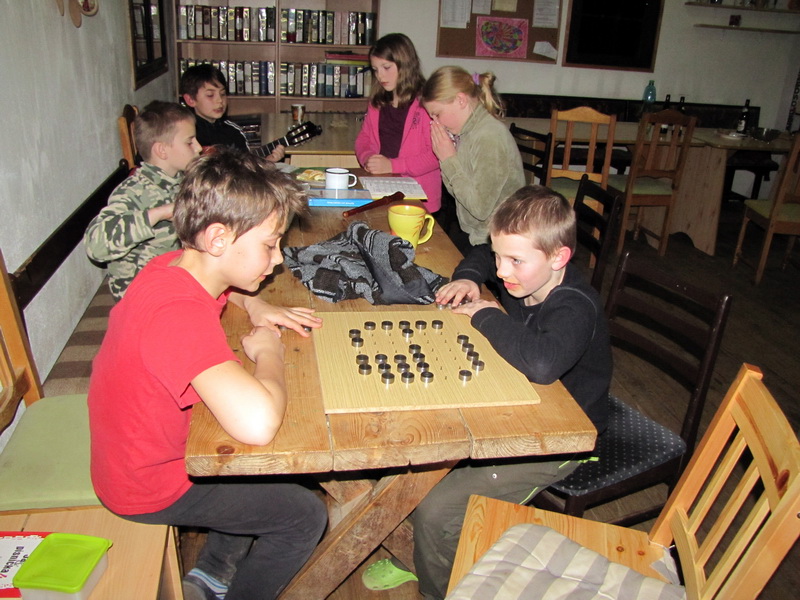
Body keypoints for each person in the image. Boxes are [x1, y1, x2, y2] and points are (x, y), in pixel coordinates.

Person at [87, 148, 328, 600]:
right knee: (302, 513)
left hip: (131, 460)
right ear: (218, 238)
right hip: (149, 485)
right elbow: (258, 423)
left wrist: (254, 302)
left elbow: (220, 288)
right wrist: (268, 353)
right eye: (269, 244)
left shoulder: (170, 267)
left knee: (260, 473)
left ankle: (213, 573)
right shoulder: (176, 316)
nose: (278, 259)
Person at [363, 186, 612, 599]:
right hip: (515, 404)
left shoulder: (574, 304)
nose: (502, 270)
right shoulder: (522, 272)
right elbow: (481, 252)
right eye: (500, 257)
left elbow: (542, 363)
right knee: (408, 451)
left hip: (562, 438)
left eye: (514, 261)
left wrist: (487, 314)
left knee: (436, 509)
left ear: (558, 258)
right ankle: (423, 552)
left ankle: (440, 587)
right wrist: (468, 276)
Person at [84, 100, 201, 300]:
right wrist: (159, 213)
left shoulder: (182, 181)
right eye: (189, 142)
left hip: (176, 283)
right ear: (162, 150)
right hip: (144, 299)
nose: (198, 147)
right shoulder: (133, 191)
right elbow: (95, 247)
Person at [421, 66, 525, 252]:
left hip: (498, 242)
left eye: (437, 114)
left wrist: (449, 159)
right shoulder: (467, 132)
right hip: (475, 233)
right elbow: (458, 194)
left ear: (461, 100)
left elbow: (479, 209)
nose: (435, 122)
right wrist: (447, 158)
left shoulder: (489, 137)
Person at [355, 33, 441, 213]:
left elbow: (435, 155)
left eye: (386, 67)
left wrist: (393, 165)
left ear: (405, 65)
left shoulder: (426, 103)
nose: (380, 75)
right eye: (375, 69)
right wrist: (368, 158)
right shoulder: (377, 102)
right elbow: (364, 138)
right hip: (382, 189)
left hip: (419, 199)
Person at [180, 63, 285, 162]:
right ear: (190, 100)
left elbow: (246, 168)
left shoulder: (233, 132)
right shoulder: (185, 134)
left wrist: (267, 162)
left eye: (222, 94)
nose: (220, 100)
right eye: (210, 95)